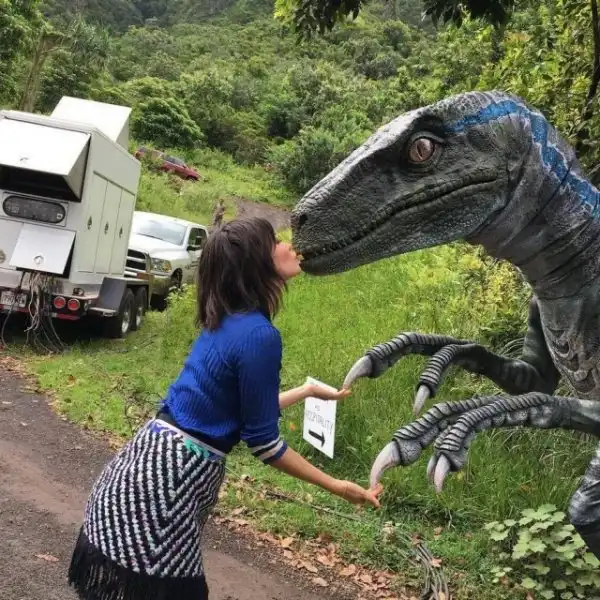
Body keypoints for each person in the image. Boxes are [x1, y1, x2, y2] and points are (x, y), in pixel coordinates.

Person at [68, 216, 383, 600]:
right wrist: (337, 486)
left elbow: (233, 411)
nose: (287, 245)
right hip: (164, 490)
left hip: (142, 471)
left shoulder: (230, 320)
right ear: (257, 262)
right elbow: (264, 443)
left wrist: (305, 391)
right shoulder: (258, 335)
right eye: (275, 241)